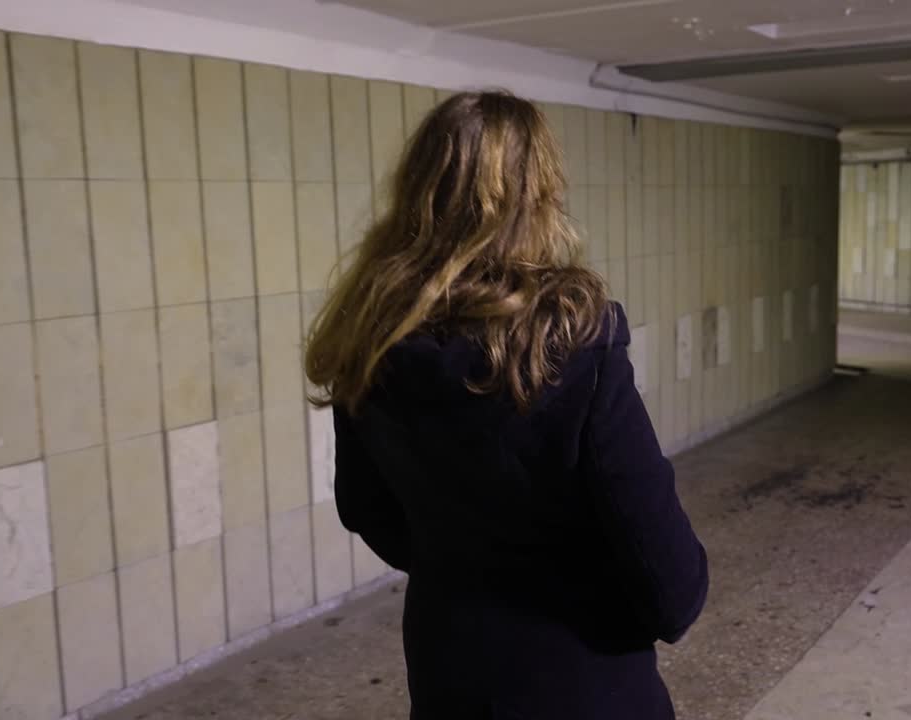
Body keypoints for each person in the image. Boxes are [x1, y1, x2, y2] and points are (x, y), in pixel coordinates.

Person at [303, 90, 709, 720]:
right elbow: (672, 587)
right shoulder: (575, 344)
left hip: (450, 670)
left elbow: (364, 506)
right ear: (539, 194)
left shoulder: (372, 337)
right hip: (582, 684)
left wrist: (464, 573)